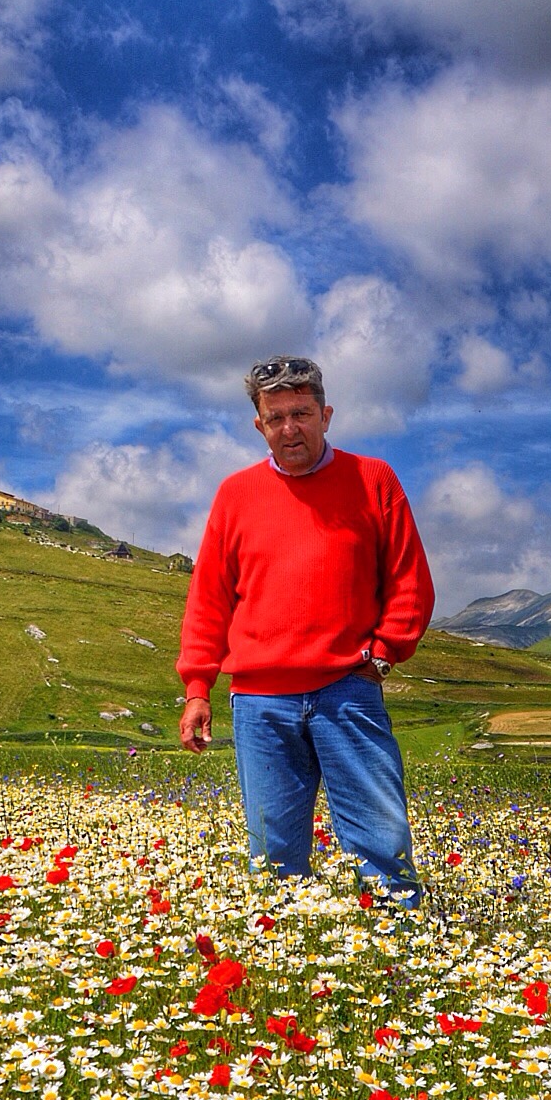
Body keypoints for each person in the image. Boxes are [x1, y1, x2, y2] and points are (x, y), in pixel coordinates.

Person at [177, 355, 435, 905]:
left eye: (302, 413)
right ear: (259, 426)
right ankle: (284, 962)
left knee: (383, 844)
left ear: (326, 414)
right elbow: (209, 599)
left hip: (347, 690)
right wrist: (197, 688)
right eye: (276, 418)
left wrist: (382, 657)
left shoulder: (374, 479)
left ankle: (403, 952)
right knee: (273, 856)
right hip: (259, 700)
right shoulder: (234, 494)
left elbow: (409, 581)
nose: (290, 429)